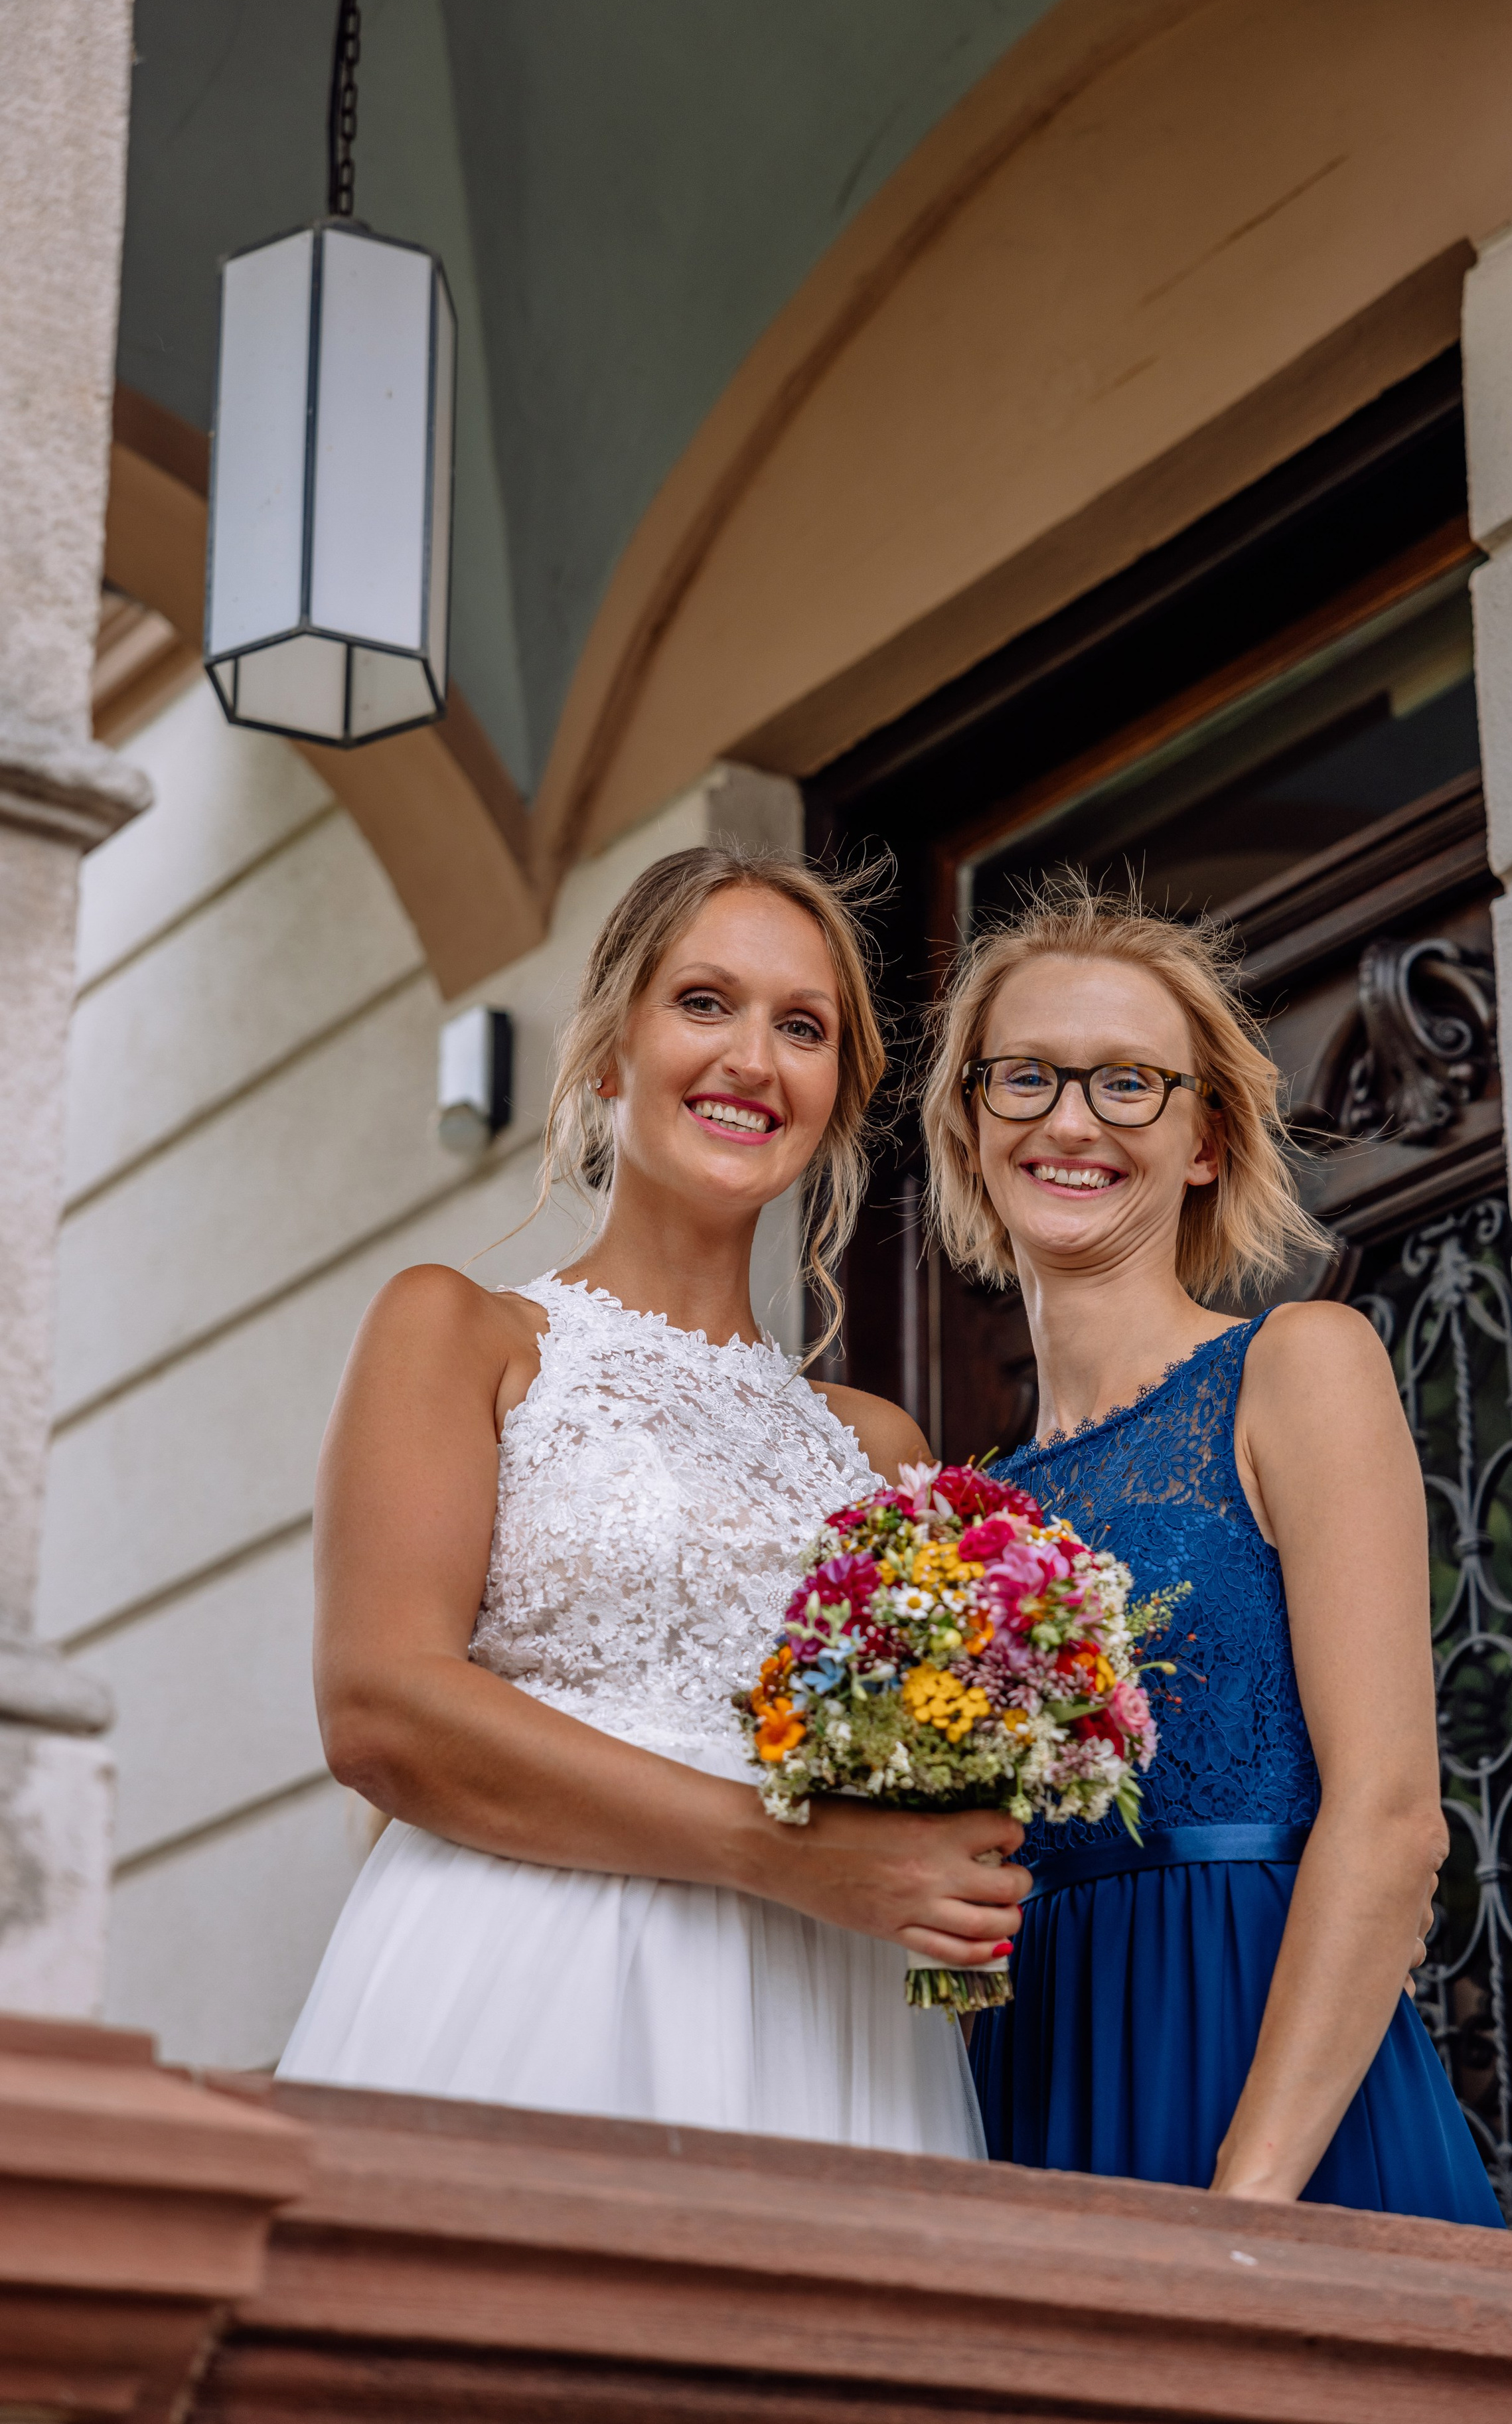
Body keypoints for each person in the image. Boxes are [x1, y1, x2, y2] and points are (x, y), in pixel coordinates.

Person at [278, 846, 1027, 2151]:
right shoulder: (458, 1333)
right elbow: (378, 1707)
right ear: (609, 1044)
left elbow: (947, 1906)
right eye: (702, 1001)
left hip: (833, 2045)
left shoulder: (883, 1448)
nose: (750, 1056)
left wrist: (959, 1909)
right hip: (526, 1982)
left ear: (836, 1096)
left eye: (801, 1027)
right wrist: (784, 1852)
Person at [919, 875, 1503, 2221]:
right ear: (969, 1125)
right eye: (1025, 1078)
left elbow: (1391, 1818)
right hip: (1035, 2091)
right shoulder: (959, 1518)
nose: (1071, 1117)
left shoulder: (1296, 1363)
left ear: (1202, 1137)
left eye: (1127, 1081)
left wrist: (1241, 2209)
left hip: (1279, 2124)